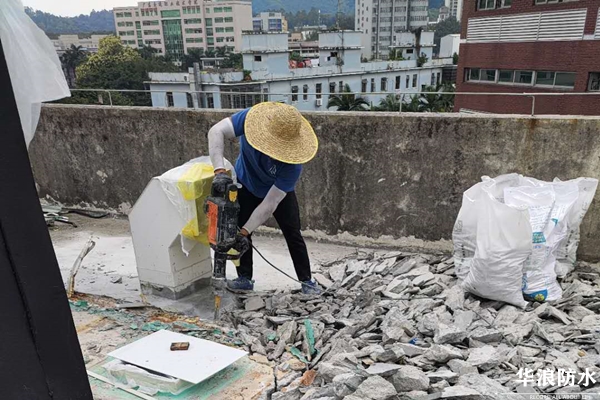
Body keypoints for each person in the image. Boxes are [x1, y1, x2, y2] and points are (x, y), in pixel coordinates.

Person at [207, 102, 320, 295]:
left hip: (275, 193)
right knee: (239, 231)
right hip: (246, 182)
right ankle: (244, 278)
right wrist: (219, 170)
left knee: (293, 233)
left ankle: (306, 280)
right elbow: (216, 130)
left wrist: (244, 232)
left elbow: (270, 204)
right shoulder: (251, 119)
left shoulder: (293, 167)